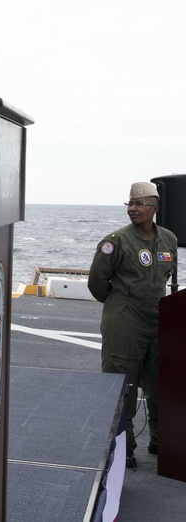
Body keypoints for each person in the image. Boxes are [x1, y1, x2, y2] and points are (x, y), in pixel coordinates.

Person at [88, 181, 177, 470]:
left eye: (139, 204)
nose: (132, 209)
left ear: (155, 209)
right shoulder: (117, 241)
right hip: (125, 317)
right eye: (130, 204)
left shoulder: (169, 239)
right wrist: (119, 306)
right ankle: (123, 447)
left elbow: (165, 276)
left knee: (161, 382)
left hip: (158, 317)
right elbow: (97, 282)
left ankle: (161, 439)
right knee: (122, 383)